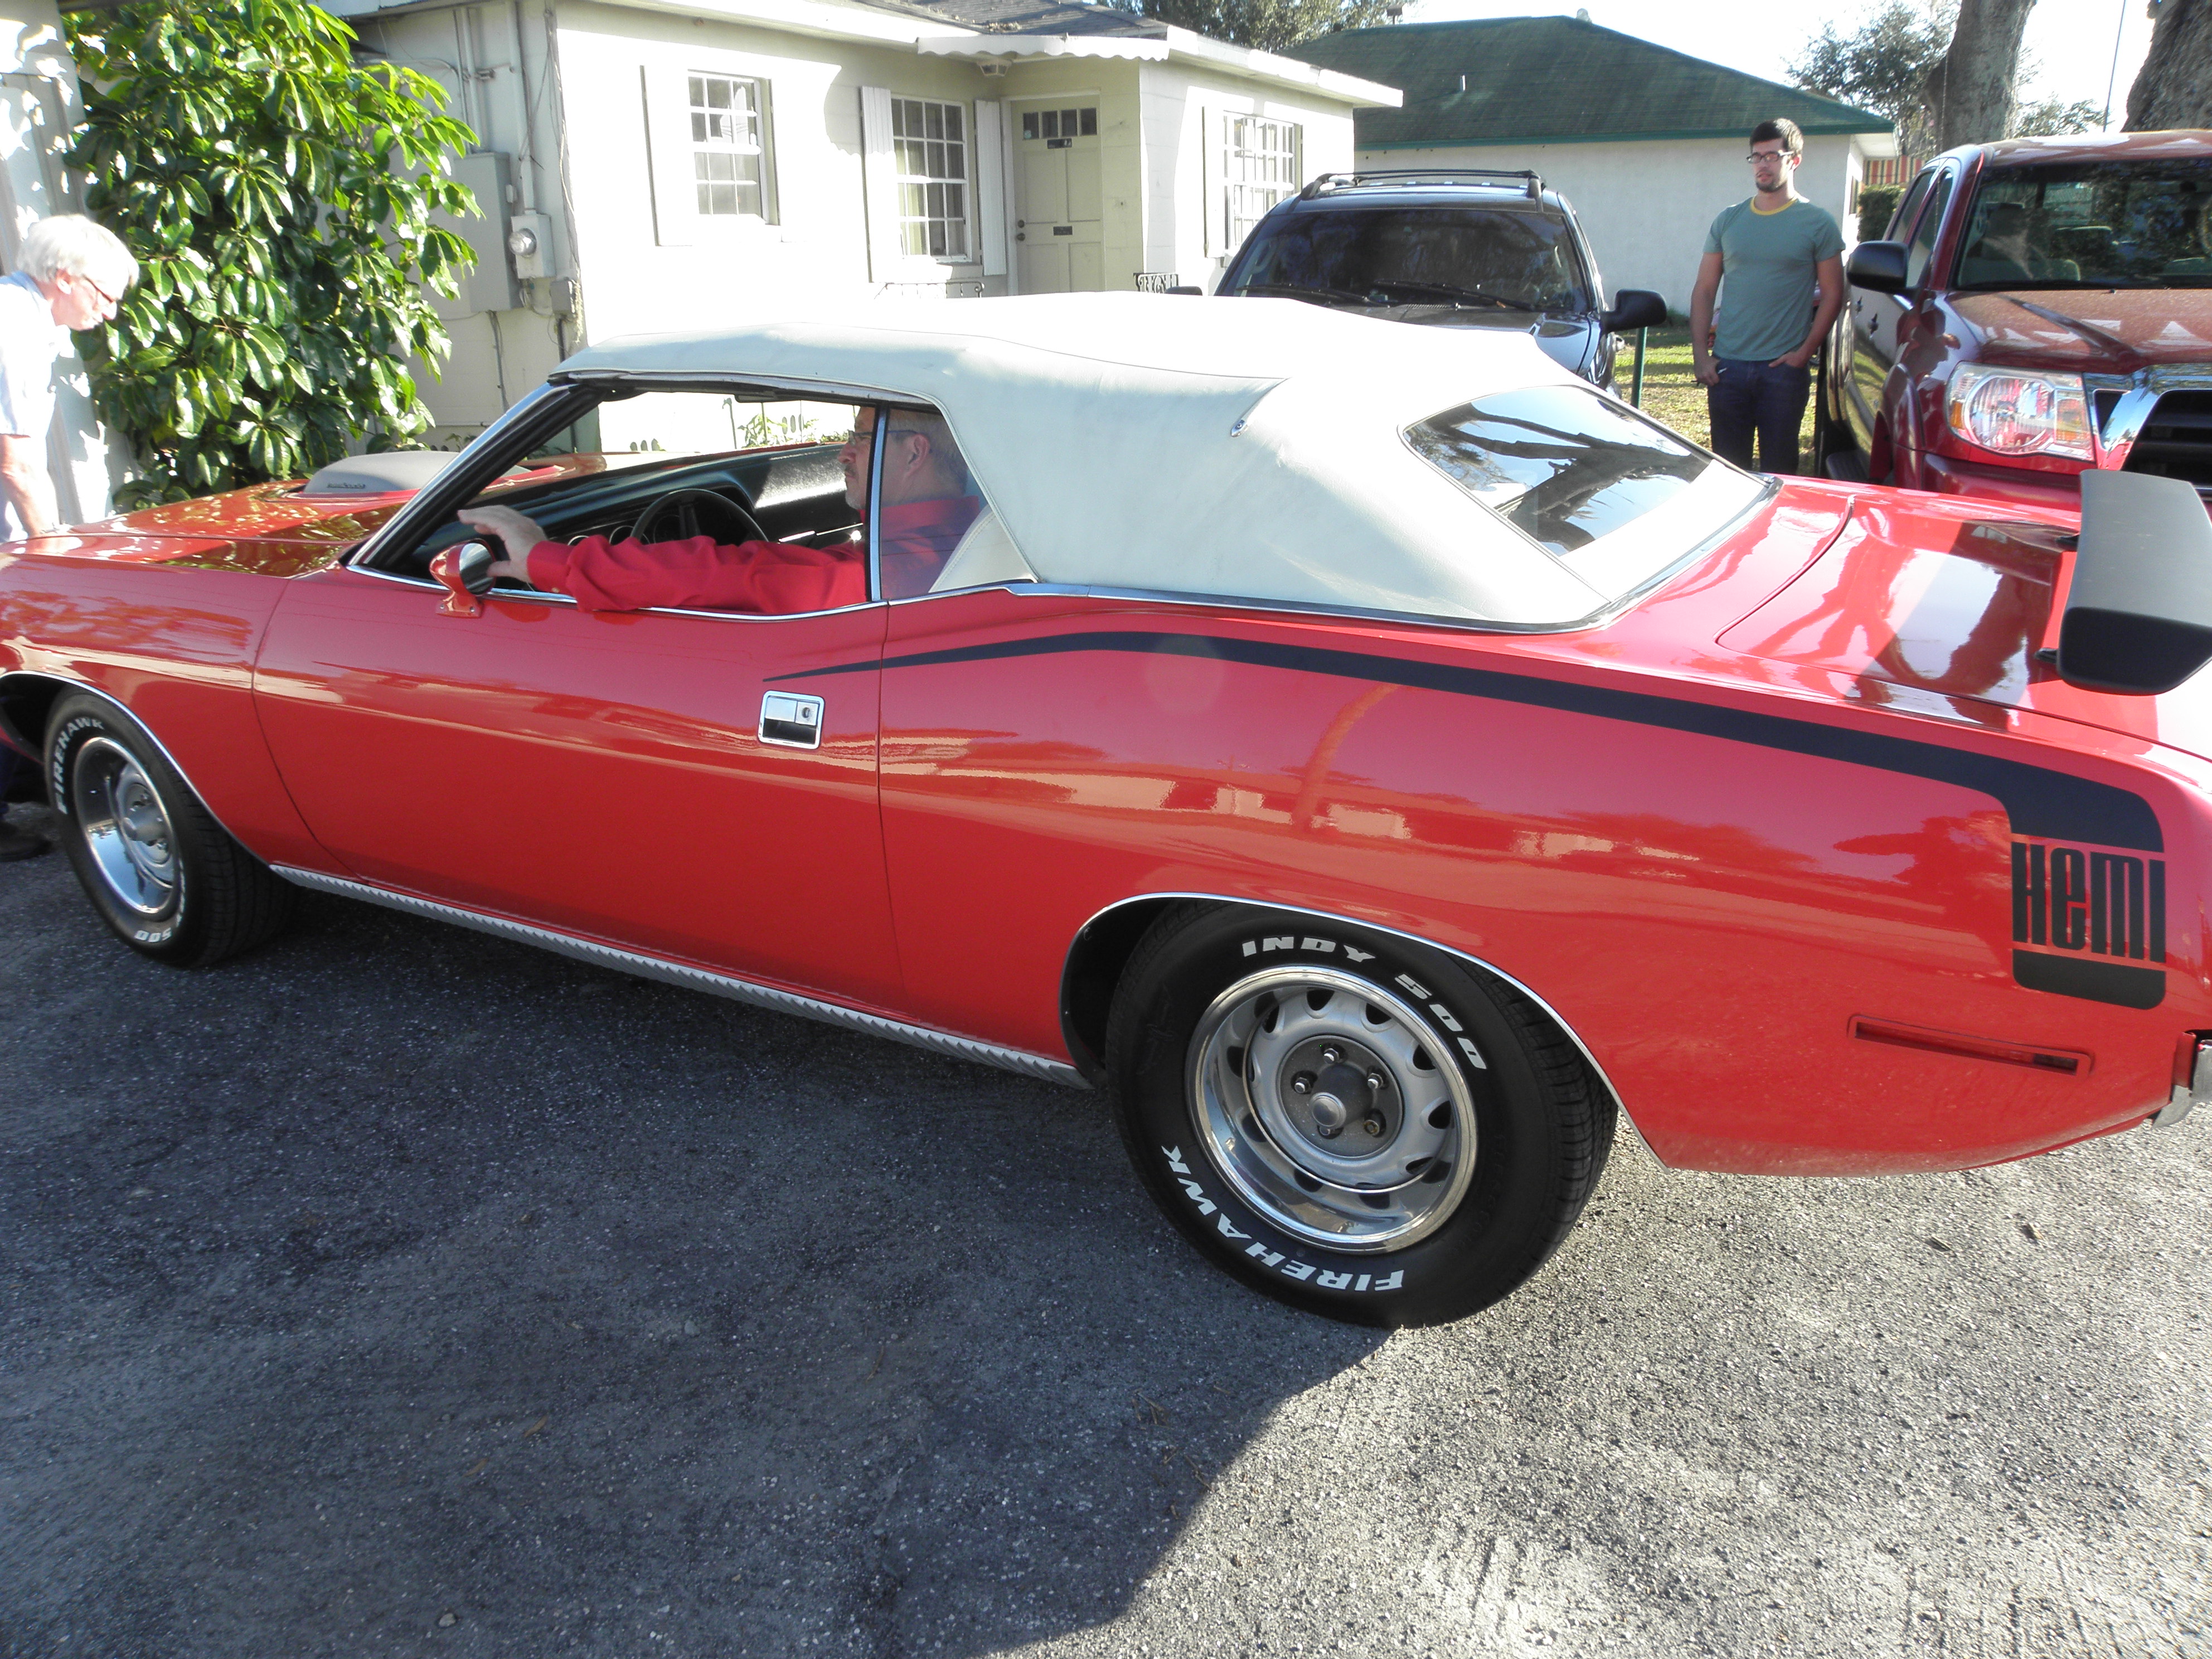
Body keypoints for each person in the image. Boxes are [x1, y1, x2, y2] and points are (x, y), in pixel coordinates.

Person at [457, 407, 982, 614]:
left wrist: (551, 561)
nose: (844, 453)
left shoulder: (896, 571)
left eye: (863, 439)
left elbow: (746, 574)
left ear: (915, 453)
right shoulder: (967, 537)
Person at [0, 215, 138, 862]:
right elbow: (18, 462)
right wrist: (49, 554)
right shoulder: (14, 328)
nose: (109, 314)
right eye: (105, 296)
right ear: (64, 278)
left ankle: (24, 780)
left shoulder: (22, 318)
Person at [1689, 118, 1846, 476]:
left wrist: (1804, 354)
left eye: (1772, 156)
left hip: (1782, 373)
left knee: (1780, 472)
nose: (1763, 164)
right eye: (1756, 157)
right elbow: (1704, 290)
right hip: (1727, 369)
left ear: (1794, 161)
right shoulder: (1729, 220)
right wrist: (1701, 356)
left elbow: (1835, 295)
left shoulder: (1817, 223)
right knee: (1728, 475)